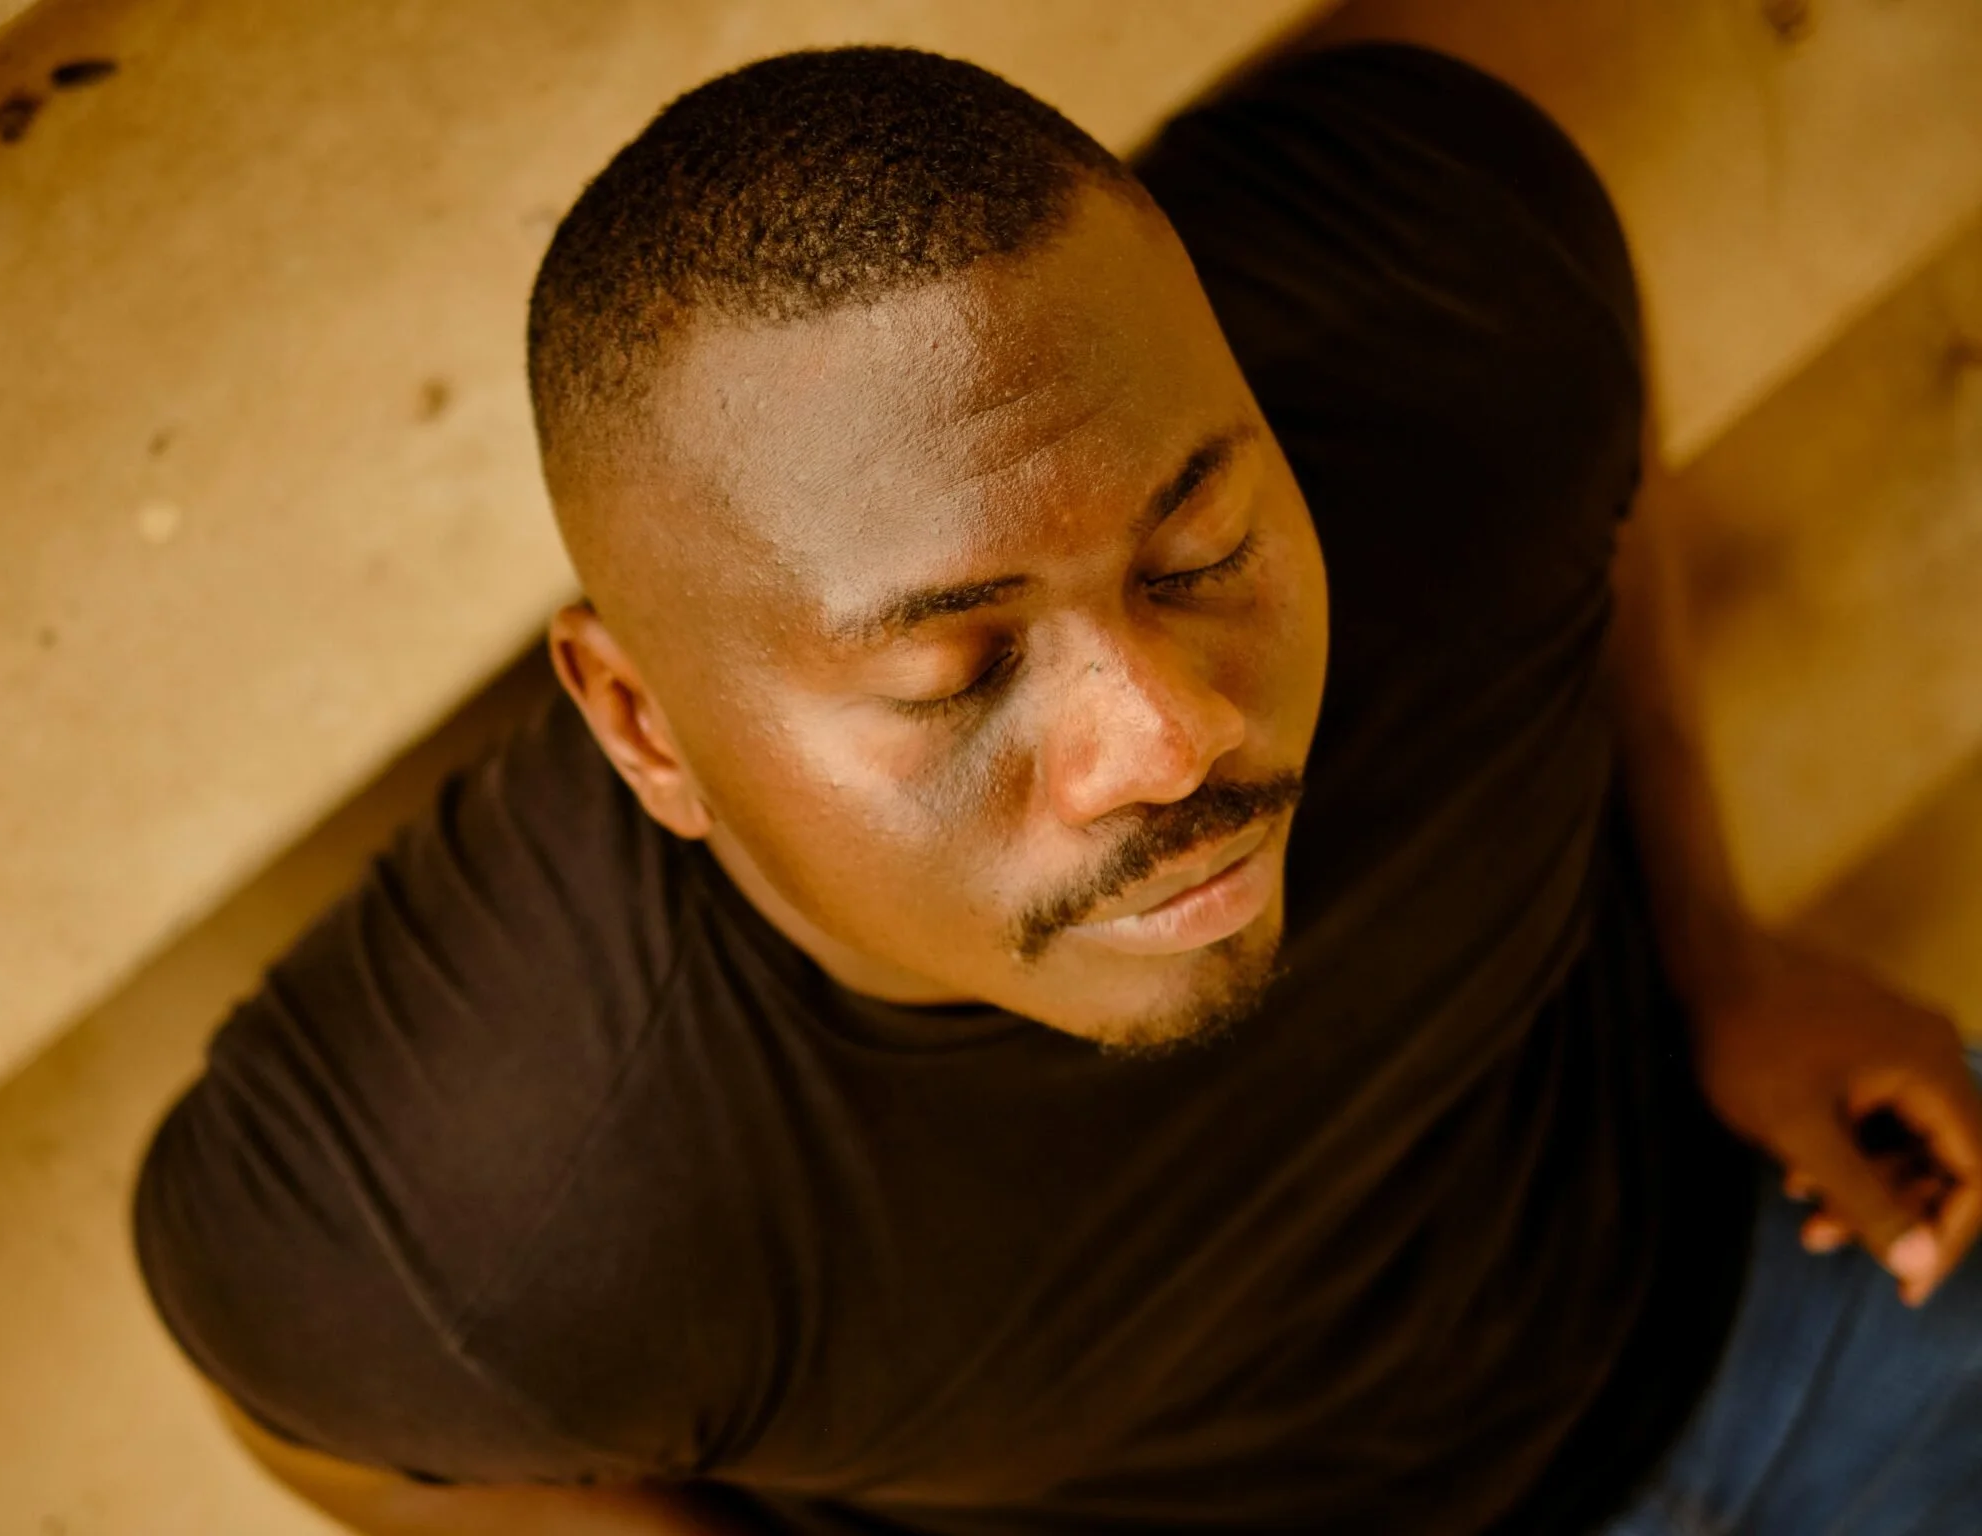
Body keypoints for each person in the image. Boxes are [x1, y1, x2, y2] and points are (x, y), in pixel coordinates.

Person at [131, 39, 1982, 1536]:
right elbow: (322, 1425)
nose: (1170, 738)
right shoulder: (486, 1196)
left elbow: (1574, 458)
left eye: (1199, 550)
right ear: (643, 731)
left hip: (1817, 1278)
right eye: (957, 670)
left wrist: (1718, 948)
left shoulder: (1435, 300)